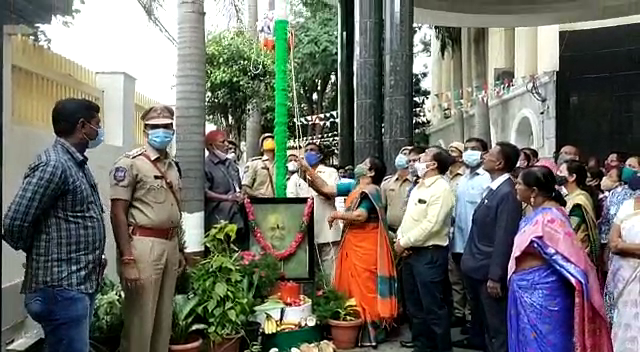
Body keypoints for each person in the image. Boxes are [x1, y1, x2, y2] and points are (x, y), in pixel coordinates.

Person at [2, 98, 106, 352]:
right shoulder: (53, 165)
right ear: (82, 126)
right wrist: (41, 252)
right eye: (97, 125)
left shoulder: (75, 163)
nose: (99, 131)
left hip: (76, 284)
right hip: (61, 288)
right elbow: (13, 223)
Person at [508, 166, 613, 352]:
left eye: (519, 184)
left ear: (533, 191)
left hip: (545, 296)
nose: (515, 187)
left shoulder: (550, 219)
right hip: (525, 292)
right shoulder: (538, 214)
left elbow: (573, 260)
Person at [109, 105, 185, 352]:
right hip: (142, 246)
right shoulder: (130, 164)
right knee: (140, 322)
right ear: (146, 130)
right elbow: (118, 212)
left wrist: (180, 249)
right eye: (156, 127)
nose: (162, 131)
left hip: (170, 245)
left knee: (163, 321)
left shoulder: (172, 166)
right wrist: (127, 258)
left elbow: (173, 210)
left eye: (166, 127)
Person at [299, 156, 396, 347]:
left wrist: (337, 215)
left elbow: (361, 215)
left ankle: (371, 333)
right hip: (352, 241)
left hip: (367, 246)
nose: (359, 165)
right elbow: (327, 189)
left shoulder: (372, 191)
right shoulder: (353, 185)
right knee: (350, 285)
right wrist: (307, 170)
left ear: (371, 172)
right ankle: (352, 327)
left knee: (366, 286)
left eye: (364, 164)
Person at [459, 141, 522, 352]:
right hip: (476, 268)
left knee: (497, 329)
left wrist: (495, 275)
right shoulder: (493, 189)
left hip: (488, 271)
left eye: (490, 154)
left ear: (500, 163)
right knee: (486, 326)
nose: (483, 156)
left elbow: (504, 237)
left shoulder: (507, 194)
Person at [396, 147, 455, 352]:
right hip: (411, 254)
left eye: (424, 156)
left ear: (433, 164)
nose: (418, 160)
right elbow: (409, 219)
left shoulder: (441, 189)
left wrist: (405, 241)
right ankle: (422, 347)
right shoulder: (419, 186)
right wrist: (402, 239)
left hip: (430, 254)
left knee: (433, 308)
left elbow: (433, 224)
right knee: (415, 308)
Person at [450, 138, 491, 334]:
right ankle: (472, 327)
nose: (469, 153)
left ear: (484, 153)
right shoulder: (463, 179)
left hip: (477, 245)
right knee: (465, 288)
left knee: (480, 292)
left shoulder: (487, 179)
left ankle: (480, 332)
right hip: (459, 243)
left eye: (474, 149)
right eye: (466, 149)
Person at [289, 142, 341, 279]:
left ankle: (332, 298)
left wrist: (309, 177)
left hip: (327, 228)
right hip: (305, 231)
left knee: (331, 274)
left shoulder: (330, 172)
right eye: (306, 150)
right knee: (308, 274)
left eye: (312, 150)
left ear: (320, 155)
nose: (308, 153)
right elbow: (292, 202)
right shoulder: (295, 178)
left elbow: (329, 194)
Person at [605, 174, 640, 351]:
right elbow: (613, 242)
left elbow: (619, 244)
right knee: (623, 321)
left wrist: (624, 246)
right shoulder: (627, 205)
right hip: (624, 275)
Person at [204, 130, 245, 248]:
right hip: (219, 218)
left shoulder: (231, 164)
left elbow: (239, 185)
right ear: (211, 146)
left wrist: (241, 194)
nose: (227, 145)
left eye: (227, 141)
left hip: (237, 213)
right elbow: (205, 192)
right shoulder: (206, 166)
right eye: (223, 142)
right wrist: (227, 198)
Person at [556, 160, 600, 266]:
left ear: (572, 177)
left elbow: (572, 227)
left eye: (561, 172)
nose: (557, 174)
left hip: (577, 251)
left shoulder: (579, 200)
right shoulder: (568, 196)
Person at [381, 150, 413, 236]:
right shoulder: (387, 183)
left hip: (410, 232)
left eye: (406, 154)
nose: (402, 156)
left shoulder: (416, 182)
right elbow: (382, 208)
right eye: (402, 153)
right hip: (390, 231)